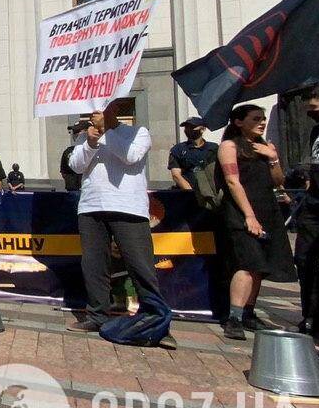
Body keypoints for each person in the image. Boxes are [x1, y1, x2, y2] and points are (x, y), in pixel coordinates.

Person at [66, 98, 171, 344]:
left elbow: (130, 156)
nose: (93, 114)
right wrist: (90, 142)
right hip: (92, 207)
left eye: (99, 109)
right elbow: (76, 165)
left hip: (128, 208)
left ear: (113, 110)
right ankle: (97, 314)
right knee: (94, 264)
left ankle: (156, 320)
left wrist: (103, 134)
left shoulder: (138, 132)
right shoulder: (85, 137)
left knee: (141, 266)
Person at [215, 104, 296, 340]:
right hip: (241, 212)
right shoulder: (229, 146)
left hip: (267, 210)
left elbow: (278, 181)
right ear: (239, 122)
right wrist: (249, 215)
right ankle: (235, 317)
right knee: (247, 263)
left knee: (260, 265)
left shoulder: (266, 147)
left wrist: (273, 158)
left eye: (263, 118)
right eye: (255, 118)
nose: (261, 122)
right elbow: (232, 182)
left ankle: (249, 313)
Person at [296, 86, 319, 337]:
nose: (311, 114)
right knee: (305, 260)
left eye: (314, 109)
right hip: (313, 206)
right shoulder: (316, 130)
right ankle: (310, 316)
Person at [168, 116, 218, 190]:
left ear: (203, 129)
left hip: (211, 192)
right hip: (187, 193)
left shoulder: (213, 148)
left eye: (192, 127)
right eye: (186, 127)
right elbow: (176, 175)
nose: (188, 130)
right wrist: (191, 192)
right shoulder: (178, 149)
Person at [60, 120, 89, 191]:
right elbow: (64, 171)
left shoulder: (97, 149)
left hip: (89, 190)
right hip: (73, 190)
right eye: (74, 132)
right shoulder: (68, 151)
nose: (76, 134)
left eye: (78, 131)